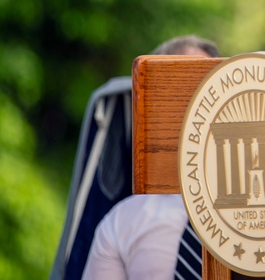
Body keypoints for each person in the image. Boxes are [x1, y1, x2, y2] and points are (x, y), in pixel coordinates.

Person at [81, 34, 220, 280]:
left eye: (208, 87)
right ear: (152, 106)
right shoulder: (120, 224)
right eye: (181, 89)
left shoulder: (260, 208)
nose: (199, 103)